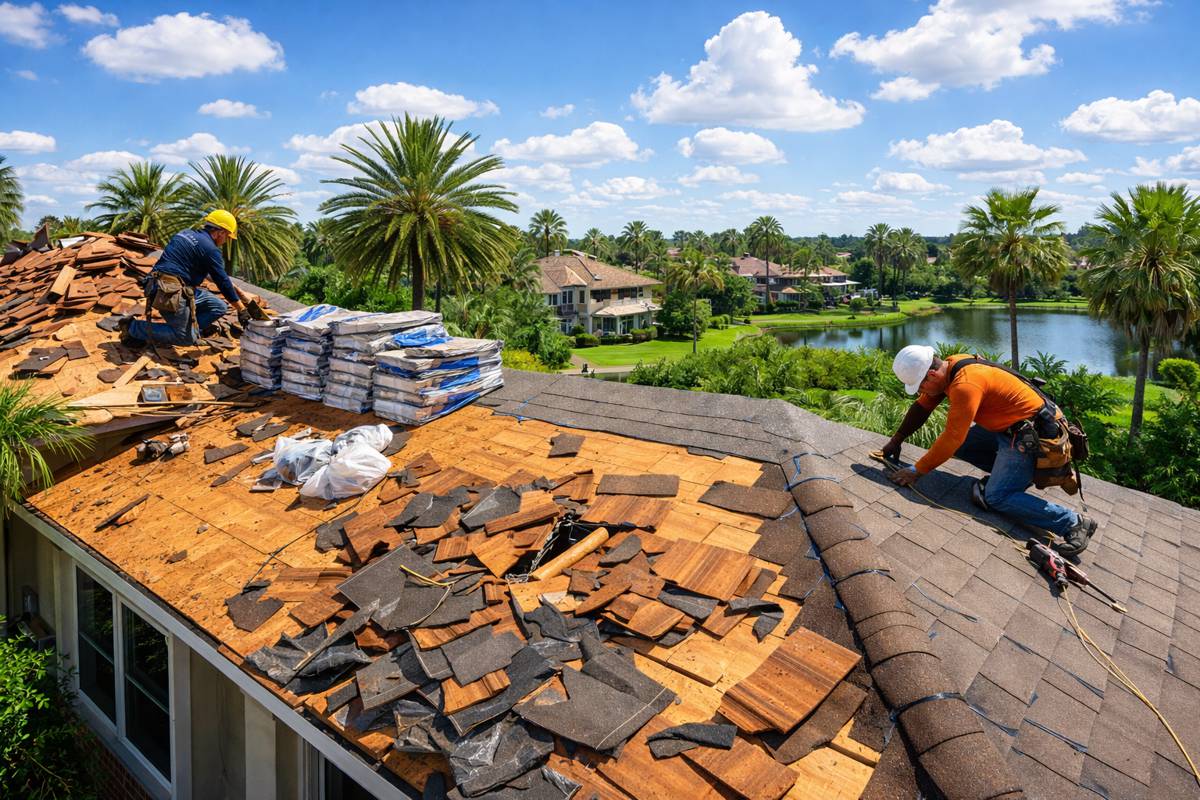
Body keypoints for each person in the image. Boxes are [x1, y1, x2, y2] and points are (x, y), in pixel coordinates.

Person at [881, 344, 1097, 555]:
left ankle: (1073, 523)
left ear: (931, 375)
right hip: (1014, 429)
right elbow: (922, 407)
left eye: (920, 386)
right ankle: (1012, 477)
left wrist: (916, 471)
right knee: (965, 445)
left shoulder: (965, 384)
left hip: (1033, 439)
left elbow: (952, 437)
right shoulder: (952, 365)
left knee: (996, 497)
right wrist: (897, 439)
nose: (921, 392)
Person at [119, 210, 258, 348]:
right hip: (167, 292)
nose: (226, 241)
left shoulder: (185, 233)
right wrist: (241, 309)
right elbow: (221, 281)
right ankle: (133, 327)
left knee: (218, 306)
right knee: (185, 339)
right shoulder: (210, 249)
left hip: (161, 284)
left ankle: (189, 331)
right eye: (227, 236)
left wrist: (226, 281)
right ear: (220, 232)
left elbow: (214, 275)